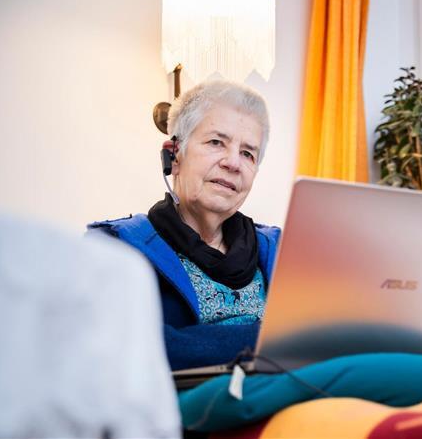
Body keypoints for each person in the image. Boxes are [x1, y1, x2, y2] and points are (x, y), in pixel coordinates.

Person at [89, 80, 280, 371]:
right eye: (217, 142)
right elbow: (134, 347)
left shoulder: (281, 247)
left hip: (288, 395)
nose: (233, 163)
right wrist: (276, 337)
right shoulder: (117, 246)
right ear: (174, 156)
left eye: (247, 153)